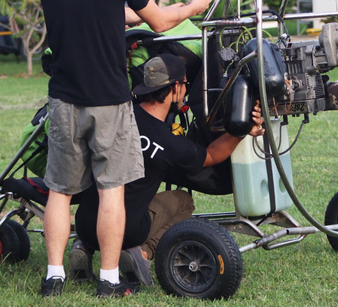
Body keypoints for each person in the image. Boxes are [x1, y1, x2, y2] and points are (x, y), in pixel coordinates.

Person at [38, 0, 211, 298]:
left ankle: (53, 277)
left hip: (64, 100)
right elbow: (161, 22)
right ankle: (109, 280)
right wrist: (192, 6)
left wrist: (146, 11)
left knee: (60, 191)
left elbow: (100, 13)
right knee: (110, 189)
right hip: (110, 100)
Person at [72, 54, 264, 286]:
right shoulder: (169, 143)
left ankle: (83, 244)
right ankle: (141, 252)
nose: (185, 88)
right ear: (174, 88)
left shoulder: (119, 115)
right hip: (126, 231)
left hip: (84, 222)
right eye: (184, 83)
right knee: (182, 200)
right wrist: (240, 130)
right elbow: (212, 155)